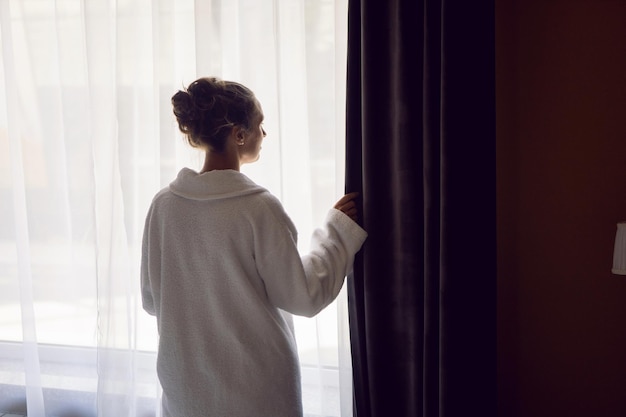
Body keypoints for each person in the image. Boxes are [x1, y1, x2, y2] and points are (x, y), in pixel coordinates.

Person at [140, 76, 367, 417]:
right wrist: (337, 235)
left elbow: (150, 299)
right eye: (260, 125)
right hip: (256, 393)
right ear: (238, 134)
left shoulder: (164, 205)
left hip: (187, 394)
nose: (264, 134)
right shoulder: (257, 208)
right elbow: (302, 297)